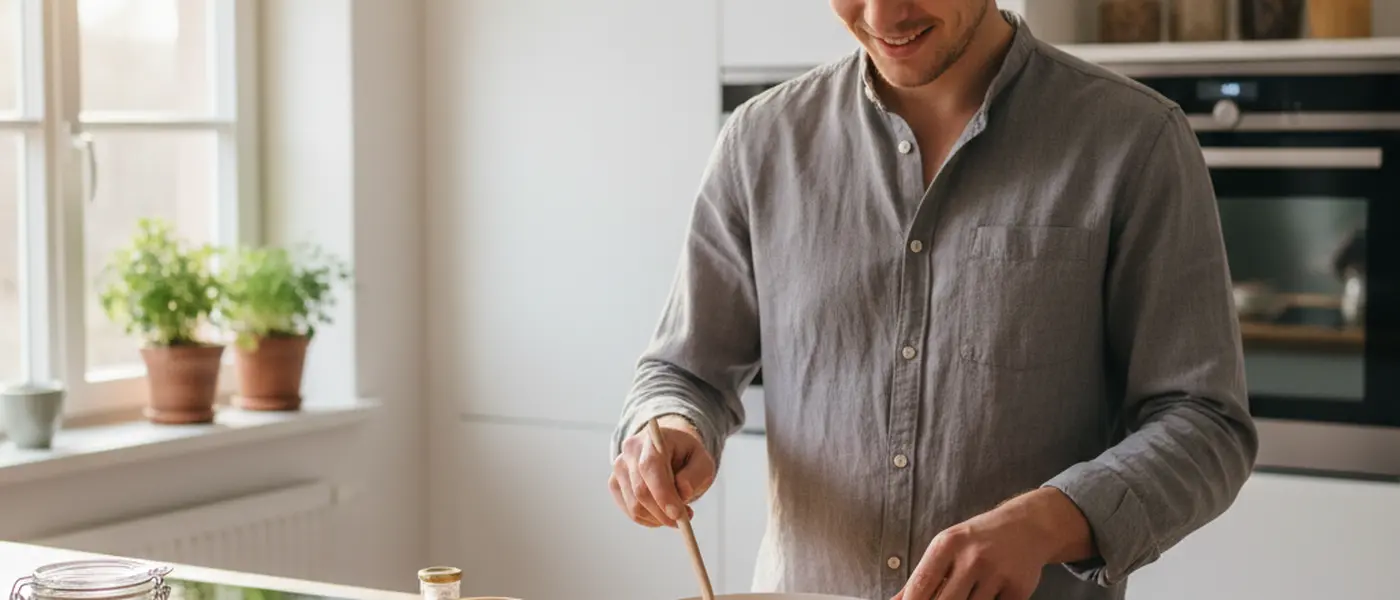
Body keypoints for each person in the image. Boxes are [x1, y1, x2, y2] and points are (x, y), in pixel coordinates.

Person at [608, 1, 1259, 599]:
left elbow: (1205, 425)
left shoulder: (1135, 139)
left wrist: (1045, 521)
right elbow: (682, 372)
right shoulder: (760, 141)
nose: (883, 13)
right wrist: (665, 427)